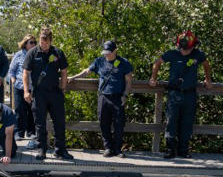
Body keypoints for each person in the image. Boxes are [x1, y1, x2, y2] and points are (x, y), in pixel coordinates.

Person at [149, 30, 213, 159]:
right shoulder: (172, 54)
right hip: (174, 93)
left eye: (187, 49)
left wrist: (208, 79)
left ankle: (183, 151)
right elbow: (157, 62)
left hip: (190, 94)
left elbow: (207, 65)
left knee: (187, 123)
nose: (184, 51)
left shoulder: (198, 55)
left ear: (193, 46)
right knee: (171, 121)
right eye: (182, 48)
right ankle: (170, 150)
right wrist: (153, 78)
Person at [69, 40, 133, 157]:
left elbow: (129, 81)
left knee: (119, 124)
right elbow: (87, 71)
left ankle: (118, 149)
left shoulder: (124, 63)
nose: (106, 54)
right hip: (103, 96)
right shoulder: (99, 61)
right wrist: (73, 77)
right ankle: (108, 148)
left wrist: (125, 95)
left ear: (115, 51)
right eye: (105, 52)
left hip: (118, 97)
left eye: (109, 52)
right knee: (104, 123)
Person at [22, 27, 73, 160]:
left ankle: (60, 150)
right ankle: (41, 149)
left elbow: (64, 71)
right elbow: (25, 74)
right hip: (39, 94)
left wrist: (63, 89)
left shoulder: (58, 52)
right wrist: (26, 91)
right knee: (40, 124)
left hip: (55, 92)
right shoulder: (32, 53)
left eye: (46, 42)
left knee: (59, 123)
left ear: (51, 41)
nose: (43, 44)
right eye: (41, 42)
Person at [9, 34, 36, 142]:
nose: (34, 44)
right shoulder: (19, 55)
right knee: (19, 110)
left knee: (31, 111)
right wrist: (13, 80)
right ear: (25, 44)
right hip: (19, 87)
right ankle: (18, 133)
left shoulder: (37, 54)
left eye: (35, 42)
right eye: (31, 42)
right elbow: (12, 70)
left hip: (32, 88)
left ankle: (31, 133)